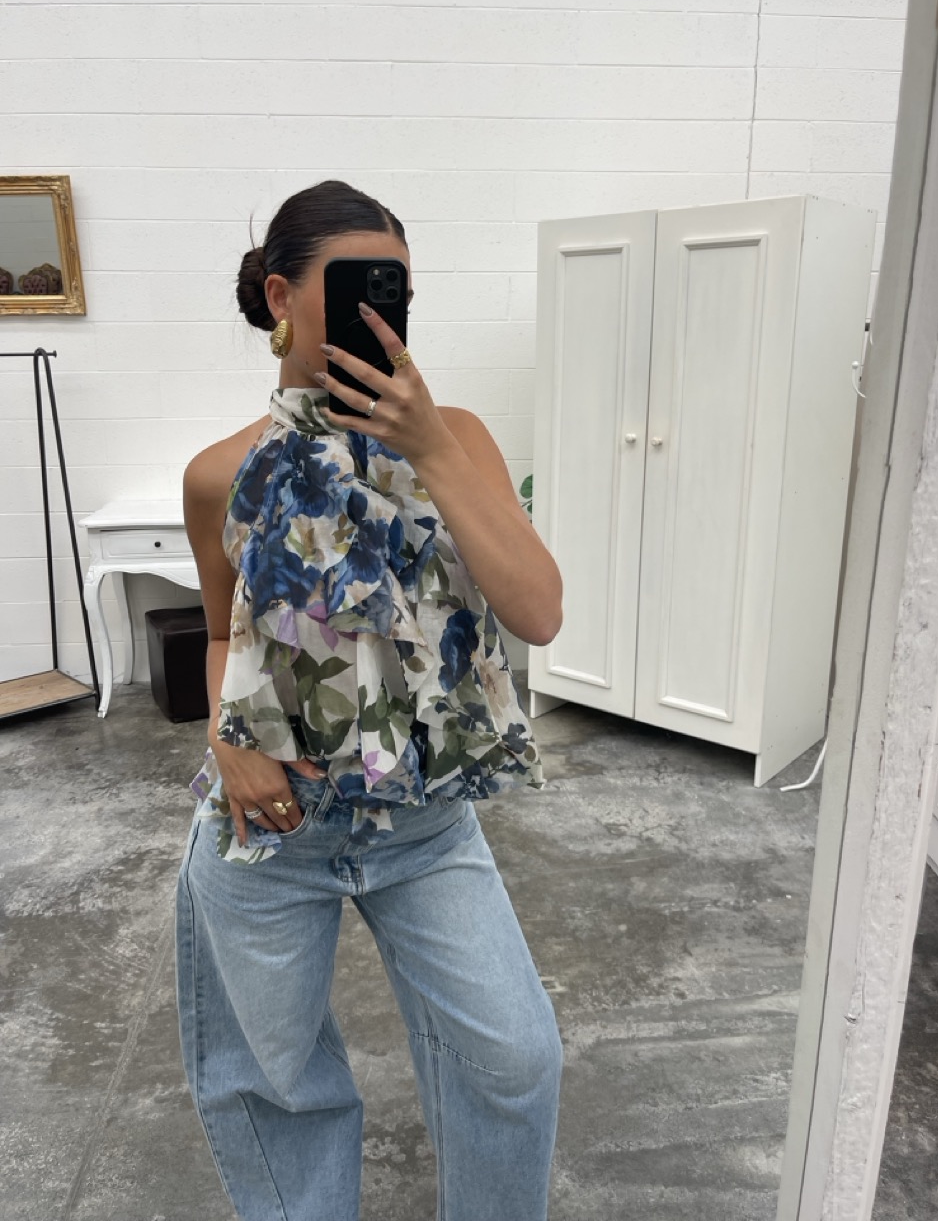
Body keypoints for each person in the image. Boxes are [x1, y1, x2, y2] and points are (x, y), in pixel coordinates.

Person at [175, 179, 565, 1221]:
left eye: (397, 293)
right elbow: (219, 636)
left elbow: (537, 611)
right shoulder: (219, 475)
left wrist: (428, 445)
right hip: (273, 828)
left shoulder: (460, 438)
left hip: (427, 825)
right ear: (280, 298)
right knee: (277, 1084)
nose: (383, 319)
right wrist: (225, 738)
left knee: (516, 1058)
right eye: (356, 290)